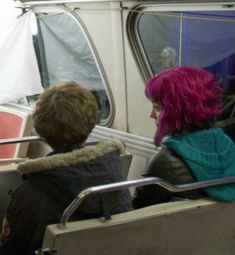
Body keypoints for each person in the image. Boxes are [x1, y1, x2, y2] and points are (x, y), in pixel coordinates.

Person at [0, 81, 132, 255]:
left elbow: (12, 248)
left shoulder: (29, 193)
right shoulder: (115, 174)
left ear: (41, 129)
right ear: (91, 121)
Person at [132, 66, 235, 209]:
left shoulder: (165, 162)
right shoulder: (228, 145)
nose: (151, 114)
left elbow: (138, 212)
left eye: (156, 107)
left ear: (176, 112)